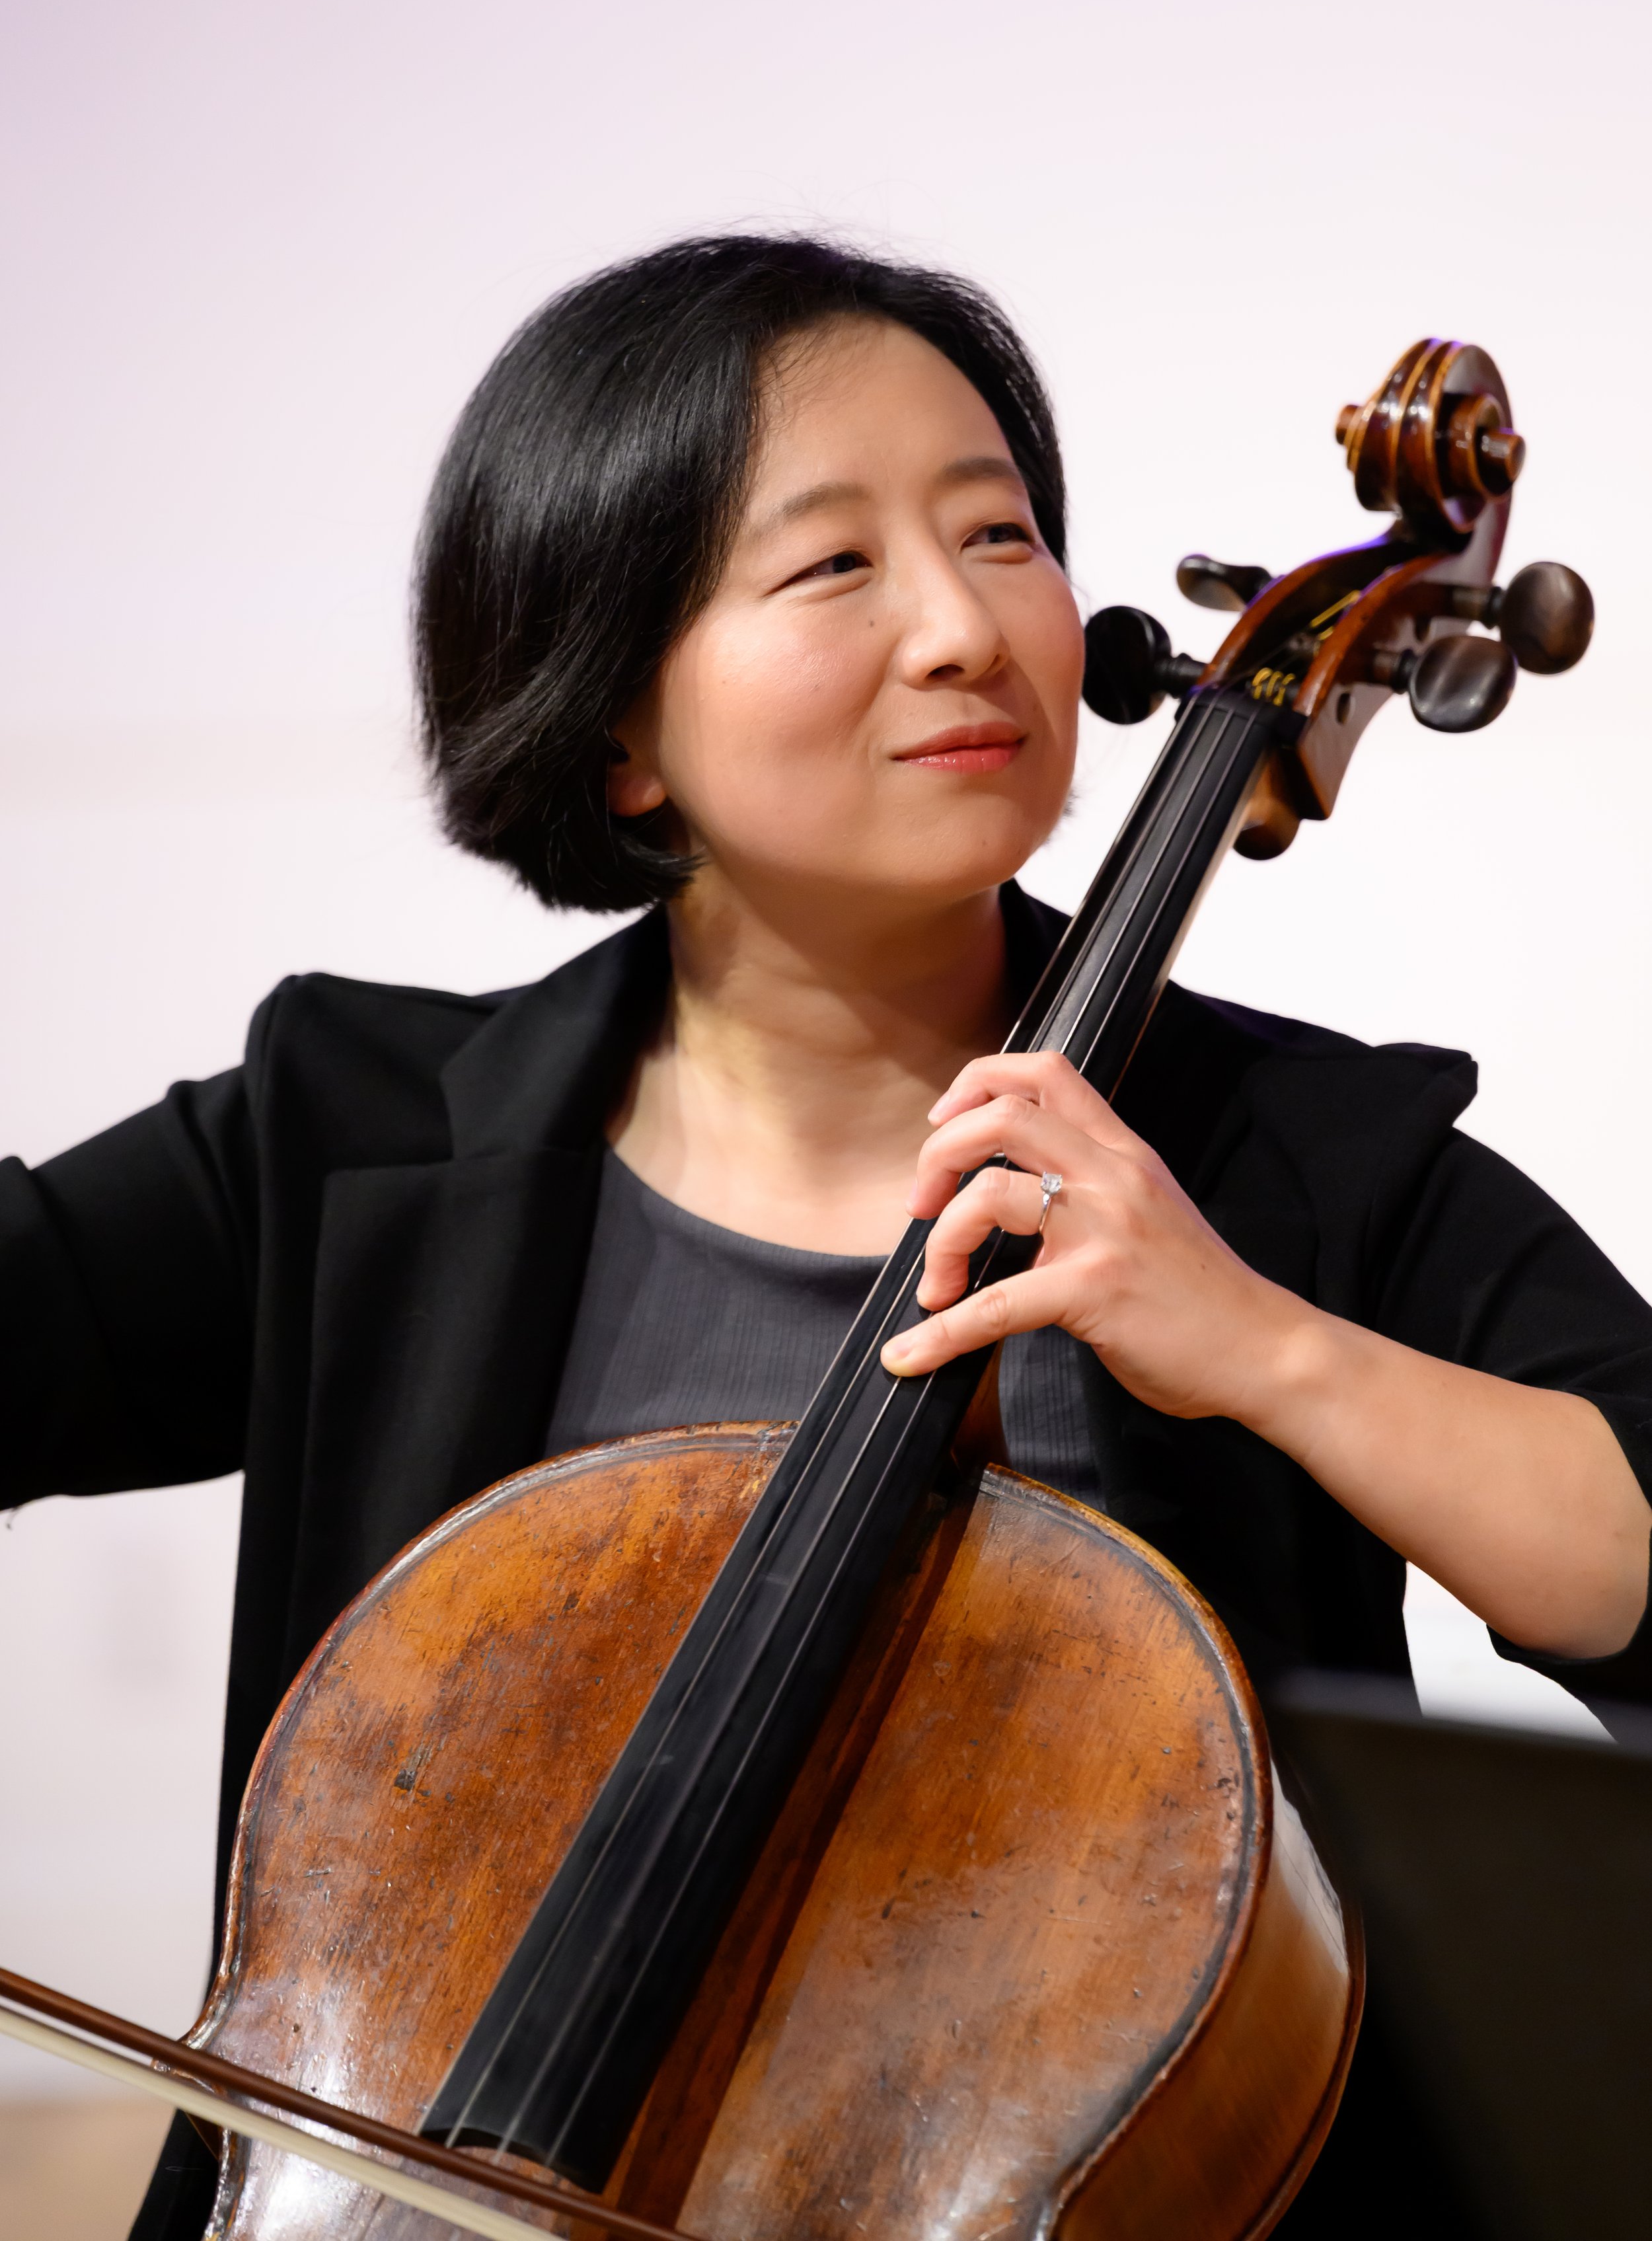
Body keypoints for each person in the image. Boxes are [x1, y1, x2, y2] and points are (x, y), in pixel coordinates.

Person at [5, 235, 1650, 2240]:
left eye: (1002, 535)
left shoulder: (1290, 1159)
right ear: (617, 728)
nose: (966, 627)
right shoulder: (346, 1140)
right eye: (833, 565)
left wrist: (1265, 1350)